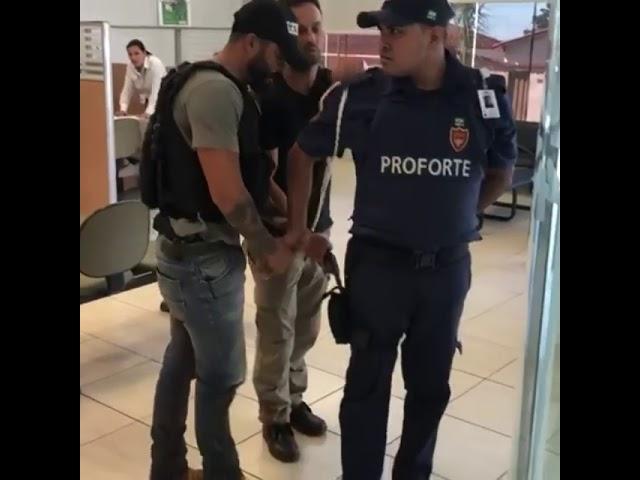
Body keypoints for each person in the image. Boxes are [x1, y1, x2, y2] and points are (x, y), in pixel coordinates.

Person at [284, 0, 518, 478]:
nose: (383, 41)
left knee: (430, 388)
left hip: (446, 270)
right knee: (367, 387)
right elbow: (301, 153)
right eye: (381, 30)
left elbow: (500, 170)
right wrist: (297, 229)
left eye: (396, 31)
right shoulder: (364, 96)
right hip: (378, 269)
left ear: (435, 36)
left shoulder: (482, 96)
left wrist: (453, 217)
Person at [141, 1, 309, 479]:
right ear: (252, 43)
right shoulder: (216, 91)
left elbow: (249, 177)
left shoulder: (207, 79)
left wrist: (286, 214)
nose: (281, 65)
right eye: (278, 54)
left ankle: (168, 467)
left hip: (183, 251)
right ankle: (221, 471)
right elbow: (228, 193)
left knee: (182, 361)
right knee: (220, 378)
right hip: (204, 262)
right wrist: (266, 246)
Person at [249, 0, 335, 464]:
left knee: (305, 328)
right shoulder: (267, 99)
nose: (309, 37)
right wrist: (296, 227)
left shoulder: (329, 93)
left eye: (315, 28)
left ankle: (294, 398)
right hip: (278, 237)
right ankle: (274, 417)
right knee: (276, 331)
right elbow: (261, 175)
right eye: (299, 29)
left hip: (316, 234)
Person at [116, 39, 166, 118]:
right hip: (148, 100)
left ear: (144, 53)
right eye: (130, 54)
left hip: (164, 101)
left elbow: (156, 92)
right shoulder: (130, 67)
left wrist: (148, 113)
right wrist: (123, 109)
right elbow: (127, 90)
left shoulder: (155, 64)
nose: (133, 57)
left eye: (137, 53)